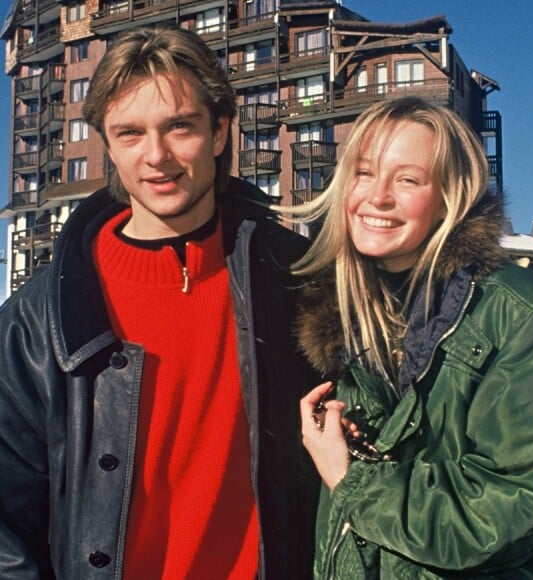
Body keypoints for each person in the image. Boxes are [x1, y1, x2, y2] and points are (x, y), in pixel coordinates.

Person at [0, 26, 319, 579]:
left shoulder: (296, 280)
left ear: (219, 133)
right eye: (130, 133)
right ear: (108, 145)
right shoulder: (34, 323)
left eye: (179, 126)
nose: (157, 156)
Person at [292, 97, 533, 577]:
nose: (377, 196)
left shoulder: (519, 312)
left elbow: (511, 508)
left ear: (450, 196)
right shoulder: (342, 313)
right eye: (364, 173)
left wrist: (351, 476)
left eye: (407, 180)